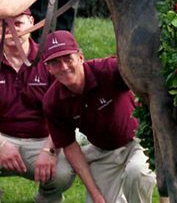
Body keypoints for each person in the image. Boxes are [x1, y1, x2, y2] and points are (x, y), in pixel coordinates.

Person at [42, 30, 157, 203]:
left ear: (80, 57)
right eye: (56, 63)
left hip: (138, 140)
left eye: (68, 59)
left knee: (137, 172)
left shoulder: (108, 70)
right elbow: (70, 147)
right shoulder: (53, 101)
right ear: (48, 68)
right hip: (103, 151)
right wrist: (95, 194)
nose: (64, 67)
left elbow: (147, 74)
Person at [0, 8, 74, 203]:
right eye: (4, 24)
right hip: (2, 138)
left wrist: (50, 150)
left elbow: (65, 113)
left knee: (63, 173)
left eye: (17, 24)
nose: (10, 30)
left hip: (41, 140)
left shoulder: (48, 60)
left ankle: (46, 197)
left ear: (31, 22)